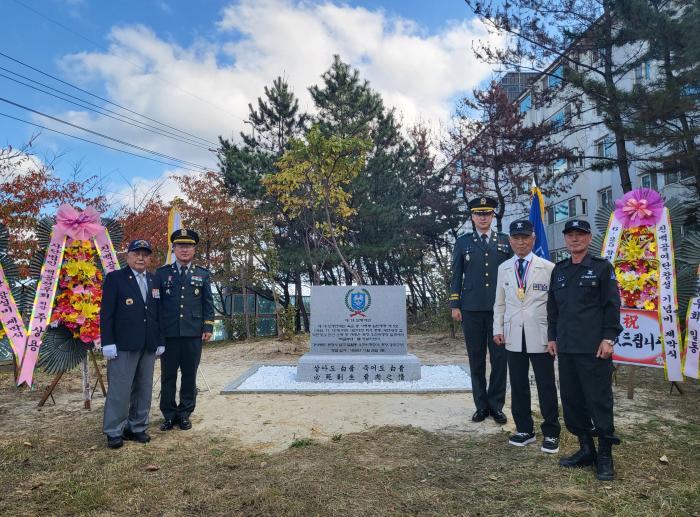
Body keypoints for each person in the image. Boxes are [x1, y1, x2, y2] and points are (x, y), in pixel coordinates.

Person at [547, 219, 622, 480]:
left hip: (594, 349)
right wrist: (552, 337)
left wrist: (609, 339)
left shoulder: (601, 268)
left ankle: (604, 455)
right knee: (572, 401)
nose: (575, 239)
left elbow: (612, 306)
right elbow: (553, 309)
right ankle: (585, 449)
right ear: (565, 240)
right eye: (570, 235)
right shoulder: (559, 270)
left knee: (598, 400)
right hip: (566, 348)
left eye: (580, 234)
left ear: (589, 238)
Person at [493, 219, 561, 453]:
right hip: (513, 334)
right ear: (510, 241)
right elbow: (499, 304)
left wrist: (554, 335)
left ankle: (551, 432)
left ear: (533, 239)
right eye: (516, 238)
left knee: (546, 385)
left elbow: (555, 306)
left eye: (525, 237)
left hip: (540, 334)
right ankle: (524, 428)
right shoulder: (503, 268)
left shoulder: (548, 267)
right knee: (519, 384)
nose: (520, 242)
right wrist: (498, 329)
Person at [450, 196, 512, 424]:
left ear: (493, 215)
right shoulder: (463, 242)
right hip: (471, 309)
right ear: (472, 216)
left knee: (499, 359)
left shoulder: (505, 241)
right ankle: (481, 405)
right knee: (476, 359)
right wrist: (455, 304)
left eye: (487, 213)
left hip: (499, 310)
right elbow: (456, 275)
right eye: (478, 213)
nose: (483, 217)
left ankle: (496, 406)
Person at [101, 239, 164, 449]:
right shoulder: (115, 278)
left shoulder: (154, 280)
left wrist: (160, 341)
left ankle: (137, 427)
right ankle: (114, 430)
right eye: (136, 253)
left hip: (148, 344)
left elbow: (157, 315)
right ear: (127, 256)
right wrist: (107, 342)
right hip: (123, 345)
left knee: (144, 388)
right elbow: (107, 314)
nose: (141, 257)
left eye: (145, 254)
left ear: (150, 258)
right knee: (120, 389)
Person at [156, 229, 215, 431]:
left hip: (193, 334)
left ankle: (185, 413)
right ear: (173, 248)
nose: (184, 249)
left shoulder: (202, 274)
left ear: (194, 249)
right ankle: (169, 415)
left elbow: (208, 303)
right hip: (169, 334)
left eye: (188, 246)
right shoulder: (162, 273)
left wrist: (208, 326)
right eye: (180, 245)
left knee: (189, 376)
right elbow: (157, 304)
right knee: (168, 376)